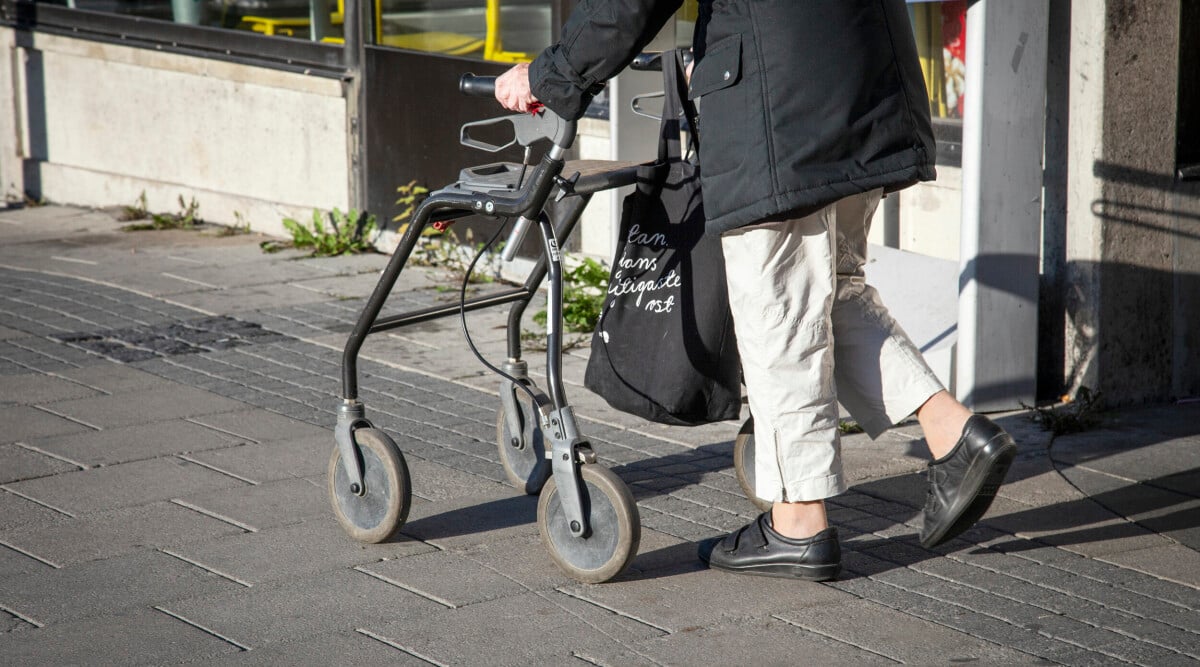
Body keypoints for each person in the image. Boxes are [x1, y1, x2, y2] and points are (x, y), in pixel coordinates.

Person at [494, 0, 1017, 581]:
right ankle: (955, 435)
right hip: (866, 79)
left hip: (780, 106)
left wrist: (551, 73)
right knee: (829, 292)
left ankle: (797, 523)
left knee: (782, 311)